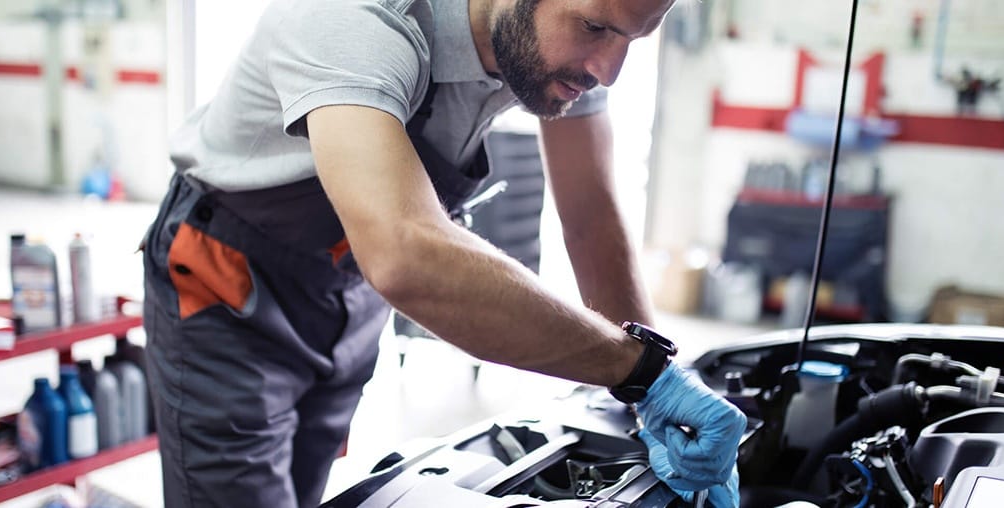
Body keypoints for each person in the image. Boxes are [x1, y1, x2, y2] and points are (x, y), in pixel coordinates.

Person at [140, 0, 747, 507]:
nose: (609, 70)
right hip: (227, 281)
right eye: (594, 26)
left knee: (303, 492)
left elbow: (591, 216)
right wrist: (639, 370)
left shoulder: (562, 53)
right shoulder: (353, 16)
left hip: (349, 288)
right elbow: (406, 255)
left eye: (633, 38)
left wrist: (657, 396)